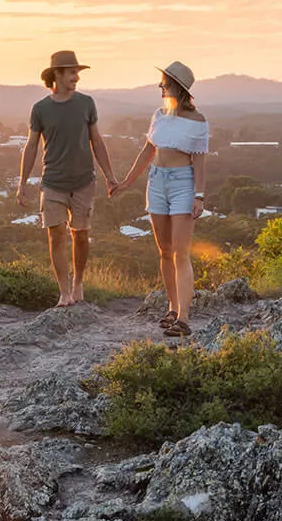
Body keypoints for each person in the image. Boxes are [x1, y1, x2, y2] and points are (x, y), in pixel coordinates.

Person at [111, 61, 208, 337]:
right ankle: (172, 307)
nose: (160, 87)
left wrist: (199, 197)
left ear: (176, 86)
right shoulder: (159, 115)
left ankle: (184, 318)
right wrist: (126, 182)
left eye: (164, 83)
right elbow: (147, 152)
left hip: (182, 184)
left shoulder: (198, 122)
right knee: (165, 250)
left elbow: (199, 163)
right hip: (156, 183)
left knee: (181, 251)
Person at [16, 50, 118, 307]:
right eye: (72, 72)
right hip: (52, 183)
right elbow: (31, 147)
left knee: (81, 235)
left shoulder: (86, 103)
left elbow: (97, 141)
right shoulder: (40, 109)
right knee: (56, 236)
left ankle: (78, 283)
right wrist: (22, 184)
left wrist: (110, 176)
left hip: (83, 182)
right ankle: (64, 292)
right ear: (57, 74)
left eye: (77, 73)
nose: (76, 77)